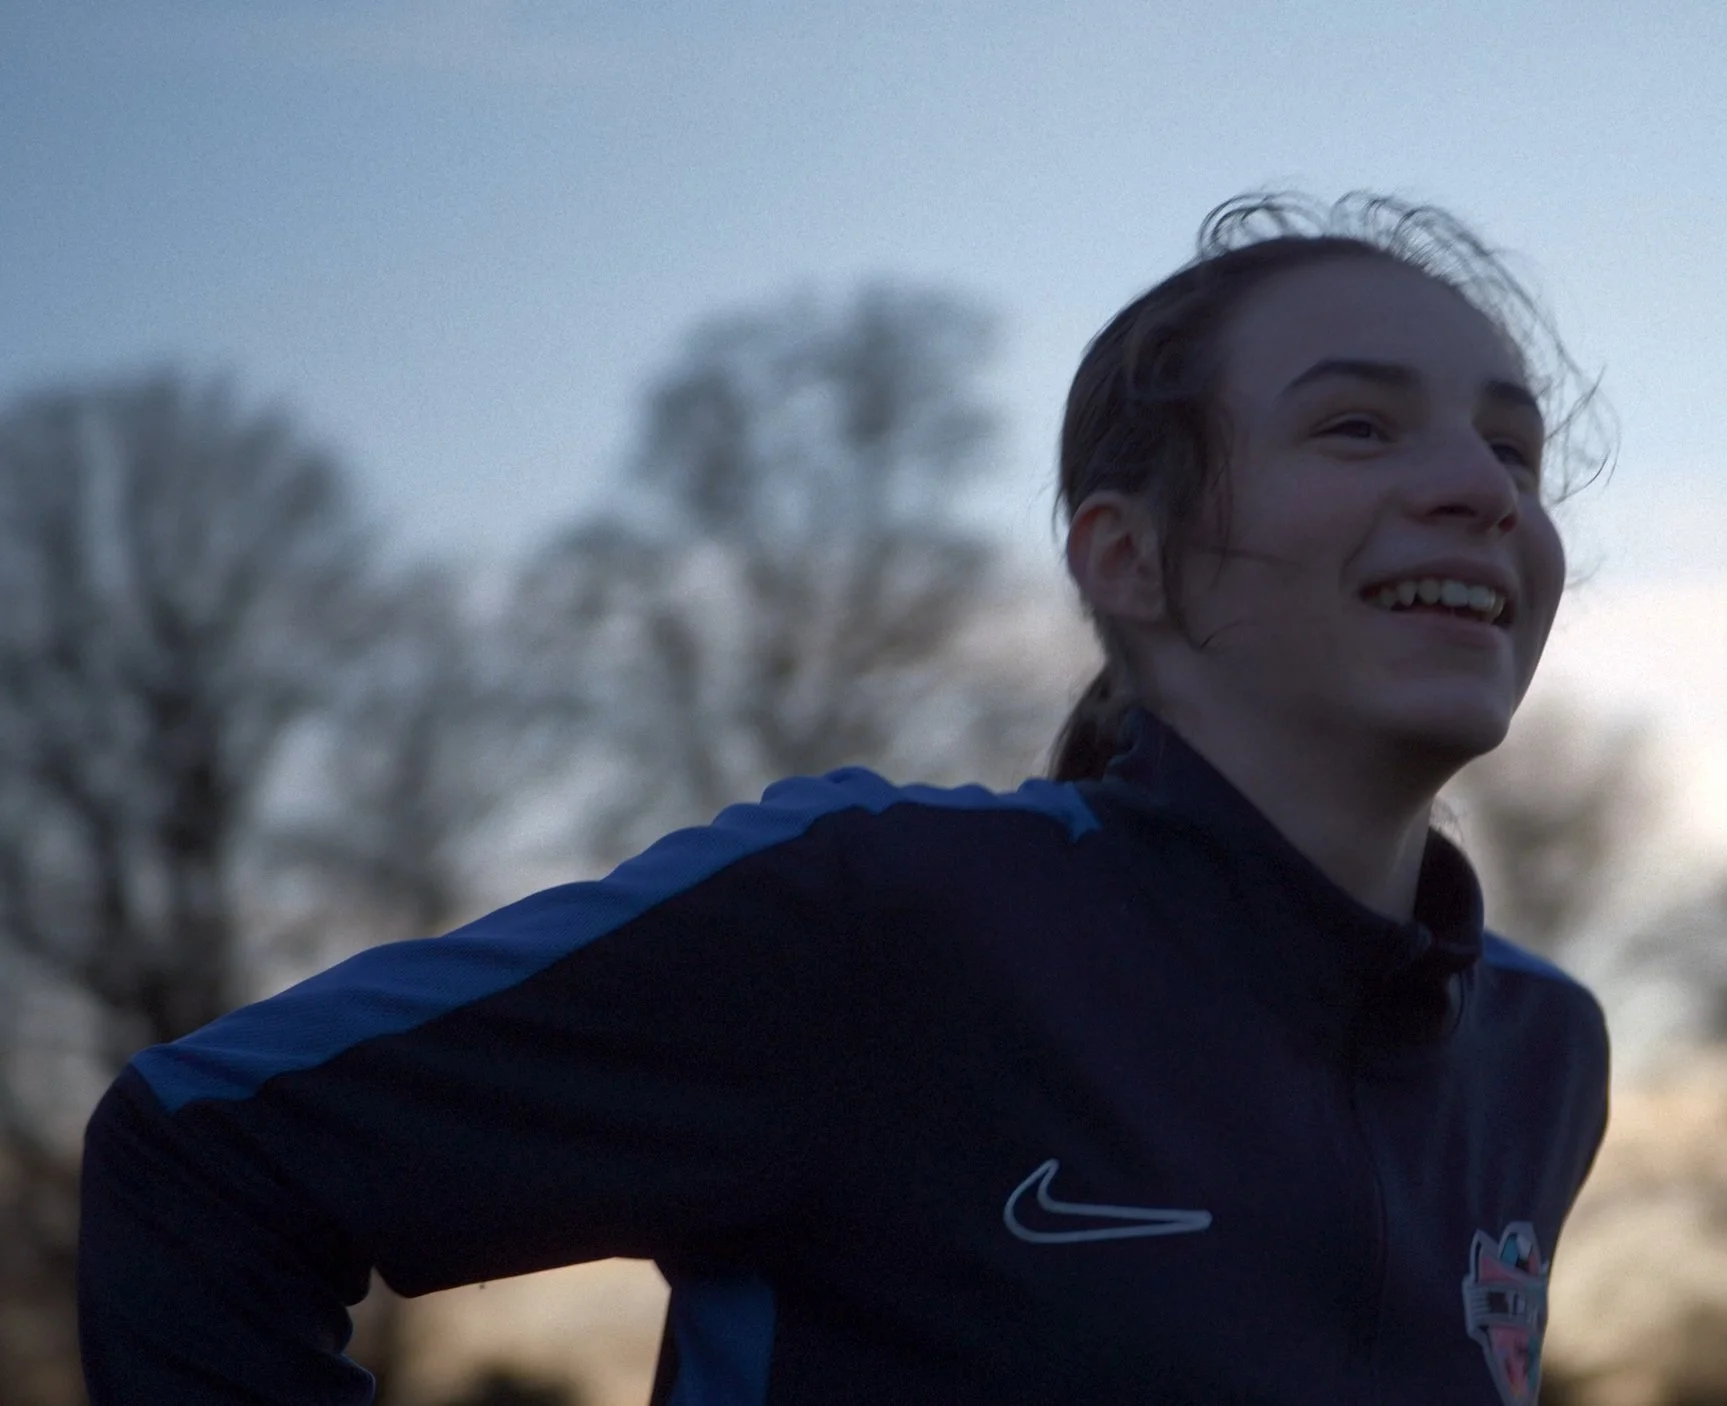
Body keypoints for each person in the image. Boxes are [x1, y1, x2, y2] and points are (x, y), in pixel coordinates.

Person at [78, 193, 1611, 1406]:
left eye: (1512, 444)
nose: (1482, 485)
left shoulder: (1544, 1050)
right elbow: (205, 1150)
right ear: (1125, 559)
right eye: (1357, 423)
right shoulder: (891, 915)